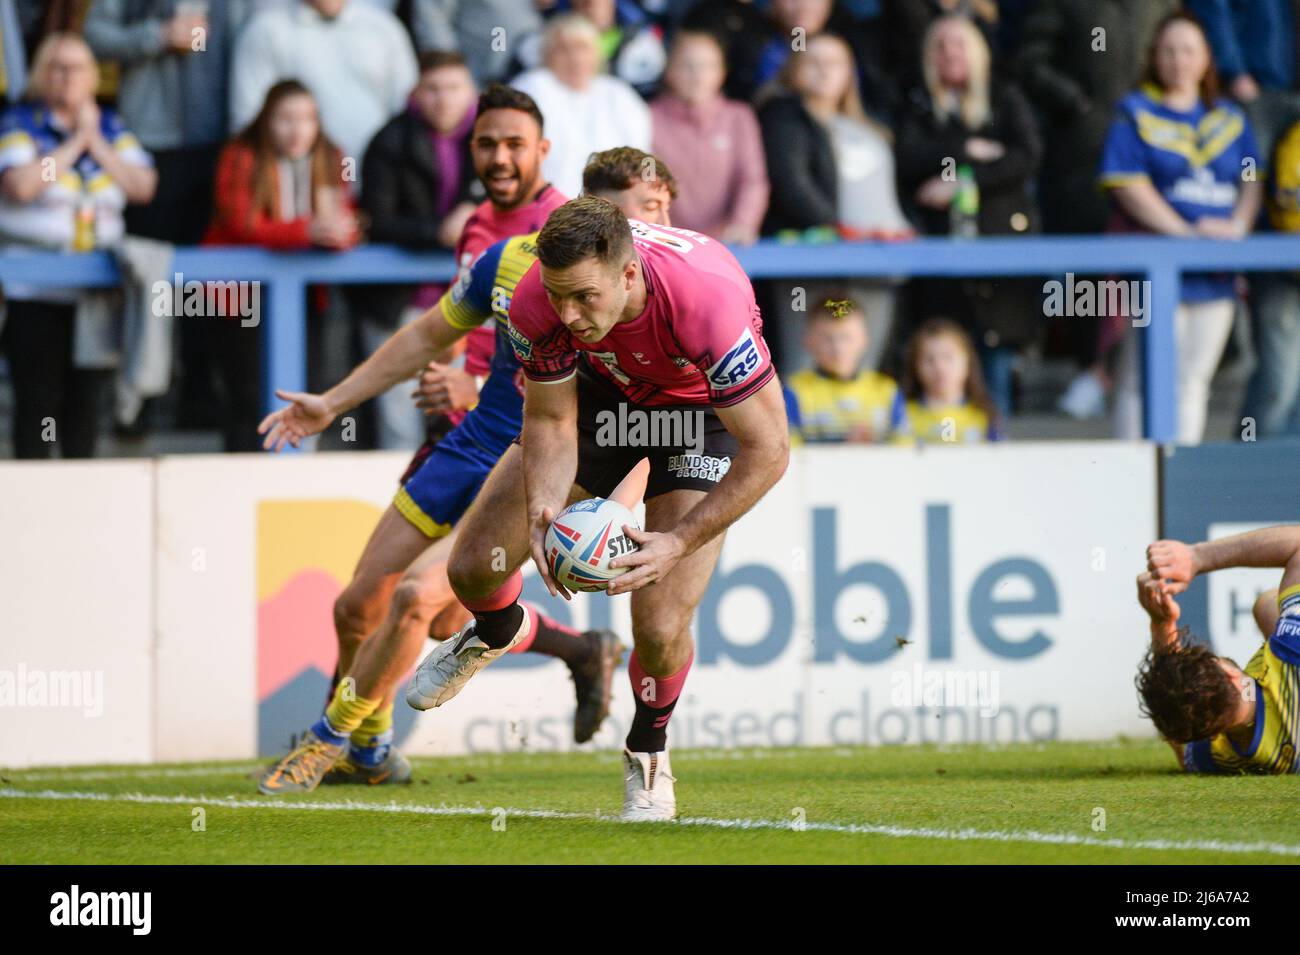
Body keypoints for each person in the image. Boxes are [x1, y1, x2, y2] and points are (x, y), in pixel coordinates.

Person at [252, 149, 678, 793]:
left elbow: (639, 425)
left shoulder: (661, 295)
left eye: (660, 209)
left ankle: (328, 738)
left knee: (420, 600)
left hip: (545, 465)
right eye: (641, 211)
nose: (656, 225)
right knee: (358, 608)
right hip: (471, 444)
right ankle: (374, 751)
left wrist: (615, 504)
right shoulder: (512, 258)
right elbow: (430, 337)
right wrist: (334, 403)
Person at [402, 197, 790, 822]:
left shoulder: (705, 302)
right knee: (474, 567)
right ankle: (496, 632)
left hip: (698, 422)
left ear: (629, 274)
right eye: (558, 297)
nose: (569, 315)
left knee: (660, 627)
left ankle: (648, 749)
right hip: (604, 402)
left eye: (584, 297)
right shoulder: (538, 298)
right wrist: (543, 508)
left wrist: (680, 540)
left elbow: (770, 449)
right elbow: (553, 416)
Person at [1099, 11, 1263, 444]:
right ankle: (1133, 478)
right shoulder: (1135, 111)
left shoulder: (1230, 117)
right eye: (1169, 50)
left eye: (1189, 50)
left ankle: (1178, 477)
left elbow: (1251, 178)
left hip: (1215, 275)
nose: (1179, 60)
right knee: (1141, 379)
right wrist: (1185, 234)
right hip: (1155, 269)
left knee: (1193, 381)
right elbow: (1127, 183)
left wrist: (1237, 227)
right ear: (1155, 56)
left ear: (1207, 58)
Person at [0, 33, 157, 459]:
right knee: (38, 401)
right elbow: (22, 184)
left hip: (94, 292)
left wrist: (96, 142)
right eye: (57, 67)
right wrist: (74, 145)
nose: (68, 77)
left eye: (78, 68)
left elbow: (143, 185)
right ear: (40, 74)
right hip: (36, 290)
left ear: (93, 77)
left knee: (85, 403)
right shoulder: (21, 122)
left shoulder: (110, 127)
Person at [895, 13, 1042, 420]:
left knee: (994, 361)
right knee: (941, 353)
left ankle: (999, 445)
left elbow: (1026, 157)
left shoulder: (1004, 96)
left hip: (998, 249)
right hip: (941, 256)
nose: (950, 53)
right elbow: (908, 158)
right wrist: (967, 146)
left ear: (977, 51)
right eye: (940, 45)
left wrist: (966, 183)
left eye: (959, 44)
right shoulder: (916, 101)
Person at [202, 80, 360, 453]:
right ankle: (245, 481)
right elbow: (241, 222)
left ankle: (294, 476)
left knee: (307, 386)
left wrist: (344, 233)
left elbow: (344, 212)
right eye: (284, 118)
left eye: (306, 118)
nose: (296, 129)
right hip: (238, 299)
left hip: (307, 294)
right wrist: (308, 231)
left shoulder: (332, 155)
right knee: (248, 395)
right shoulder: (241, 154)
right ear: (266, 121)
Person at [760, 31, 913, 371]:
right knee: (806, 358)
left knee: (860, 360)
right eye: (813, 62)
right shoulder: (785, 116)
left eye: (835, 63)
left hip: (873, 266)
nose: (824, 71)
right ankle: (797, 426)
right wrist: (843, 230)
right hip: (812, 260)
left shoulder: (869, 130)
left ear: (850, 73)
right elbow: (791, 184)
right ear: (793, 69)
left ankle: (861, 427)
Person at [351, 50, 480, 450]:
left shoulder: (491, 141)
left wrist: (475, 213)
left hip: (466, 305)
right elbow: (376, 220)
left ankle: (469, 510)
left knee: (467, 419)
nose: (444, 99)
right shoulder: (389, 139)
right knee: (398, 423)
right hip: (398, 304)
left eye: (454, 88)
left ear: (471, 92)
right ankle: (398, 509)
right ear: (416, 93)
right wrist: (438, 230)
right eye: (433, 89)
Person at [1135, 525, 1300, 774]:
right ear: (1231, 674)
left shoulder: (1219, 756)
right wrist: (1197, 557)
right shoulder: (1292, 652)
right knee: (1266, 607)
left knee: (1267, 606)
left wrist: (1162, 625)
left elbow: (1183, 745)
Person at [229, 0, 418, 165]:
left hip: (375, 177)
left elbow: (408, 108)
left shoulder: (384, 28)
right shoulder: (265, 31)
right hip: (298, 183)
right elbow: (248, 118)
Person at [511, 14, 650, 199]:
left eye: (581, 48)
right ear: (547, 55)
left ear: (596, 53)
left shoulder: (619, 94)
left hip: (614, 210)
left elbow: (641, 157)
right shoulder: (533, 87)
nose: (574, 57)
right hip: (546, 207)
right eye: (563, 49)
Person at [650, 29, 768, 244]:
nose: (698, 75)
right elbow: (643, 184)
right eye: (687, 65)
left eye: (707, 66)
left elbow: (752, 180)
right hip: (665, 244)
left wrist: (742, 224)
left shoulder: (738, 117)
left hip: (727, 244)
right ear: (669, 71)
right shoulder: (647, 118)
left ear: (721, 73)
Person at [1242, 117, 1300, 439]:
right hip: (1280, 269)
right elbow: (1285, 200)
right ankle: (1251, 466)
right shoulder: (1286, 124)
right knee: (1279, 381)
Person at [785, 295, 902, 443]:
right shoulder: (795, 391)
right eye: (828, 338)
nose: (838, 348)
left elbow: (907, 447)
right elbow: (787, 448)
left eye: (846, 337)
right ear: (808, 340)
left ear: (864, 340)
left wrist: (874, 443)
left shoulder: (886, 390)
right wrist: (842, 443)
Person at [892, 317, 1002, 444]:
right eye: (929, 359)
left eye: (948, 357)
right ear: (915, 367)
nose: (940, 368)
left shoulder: (984, 416)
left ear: (968, 364)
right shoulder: (902, 414)